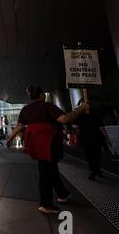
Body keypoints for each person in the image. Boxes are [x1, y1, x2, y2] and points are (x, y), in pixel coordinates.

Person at [7, 85, 89, 214]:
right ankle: (46, 204)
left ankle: (62, 194)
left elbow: (19, 125)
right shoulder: (47, 106)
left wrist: (10, 138)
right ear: (41, 95)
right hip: (48, 142)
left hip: (36, 143)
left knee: (51, 169)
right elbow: (65, 119)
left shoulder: (26, 109)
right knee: (46, 172)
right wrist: (81, 109)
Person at [75, 99, 108, 180]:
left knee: (95, 155)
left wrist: (106, 137)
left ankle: (96, 171)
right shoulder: (80, 114)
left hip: (94, 137)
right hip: (88, 138)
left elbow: (101, 126)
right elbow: (76, 127)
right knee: (91, 155)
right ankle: (95, 171)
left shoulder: (93, 113)